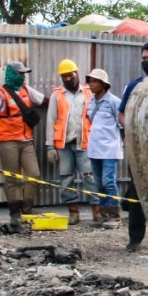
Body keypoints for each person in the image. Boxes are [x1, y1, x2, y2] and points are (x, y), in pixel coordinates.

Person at [0, 61, 47, 223]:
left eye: (24, 74)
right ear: (12, 74)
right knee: (12, 178)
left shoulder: (26, 89)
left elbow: (43, 101)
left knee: (34, 174)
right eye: (20, 73)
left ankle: (27, 209)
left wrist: (59, 102)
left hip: (26, 140)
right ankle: (14, 214)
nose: (23, 76)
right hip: (7, 141)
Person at [119, 41, 148, 251]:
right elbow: (121, 114)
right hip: (139, 149)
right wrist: (134, 128)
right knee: (137, 193)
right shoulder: (134, 86)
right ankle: (135, 239)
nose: (147, 62)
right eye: (144, 59)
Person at [46, 59, 93, 225]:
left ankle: (97, 211)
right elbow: (51, 120)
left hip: (84, 142)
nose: (67, 79)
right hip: (63, 144)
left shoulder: (88, 93)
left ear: (77, 73)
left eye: (70, 75)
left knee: (90, 176)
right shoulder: (56, 95)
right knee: (66, 179)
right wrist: (50, 146)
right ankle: (73, 212)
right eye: (64, 76)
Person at [85, 68, 123, 226]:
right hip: (95, 148)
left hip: (110, 149)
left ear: (103, 84)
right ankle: (104, 215)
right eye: (90, 81)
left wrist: (119, 143)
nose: (91, 85)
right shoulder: (91, 102)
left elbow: (122, 123)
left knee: (109, 181)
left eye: (95, 81)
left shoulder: (114, 101)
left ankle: (114, 216)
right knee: (99, 183)